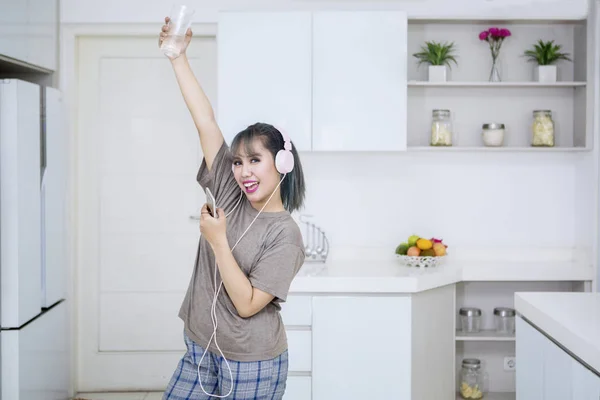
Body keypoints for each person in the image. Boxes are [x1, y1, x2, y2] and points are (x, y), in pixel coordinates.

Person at [158, 16, 307, 400]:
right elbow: (205, 121)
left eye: (254, 160)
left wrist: (219, 241)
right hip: (199, 346)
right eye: (238, 162)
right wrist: (178, 59)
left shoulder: (285, 235)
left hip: (251, 361)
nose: (242, 171)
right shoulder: (229, 193)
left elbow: (246, 305)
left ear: (282, 164)